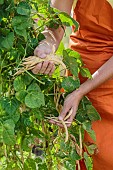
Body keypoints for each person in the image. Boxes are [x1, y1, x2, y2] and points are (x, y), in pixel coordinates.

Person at [32, 0, 113, 169]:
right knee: (90, 152)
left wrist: (80, 92)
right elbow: (56, 24)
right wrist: (47, 46)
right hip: (84, 73)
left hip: (93, 83)